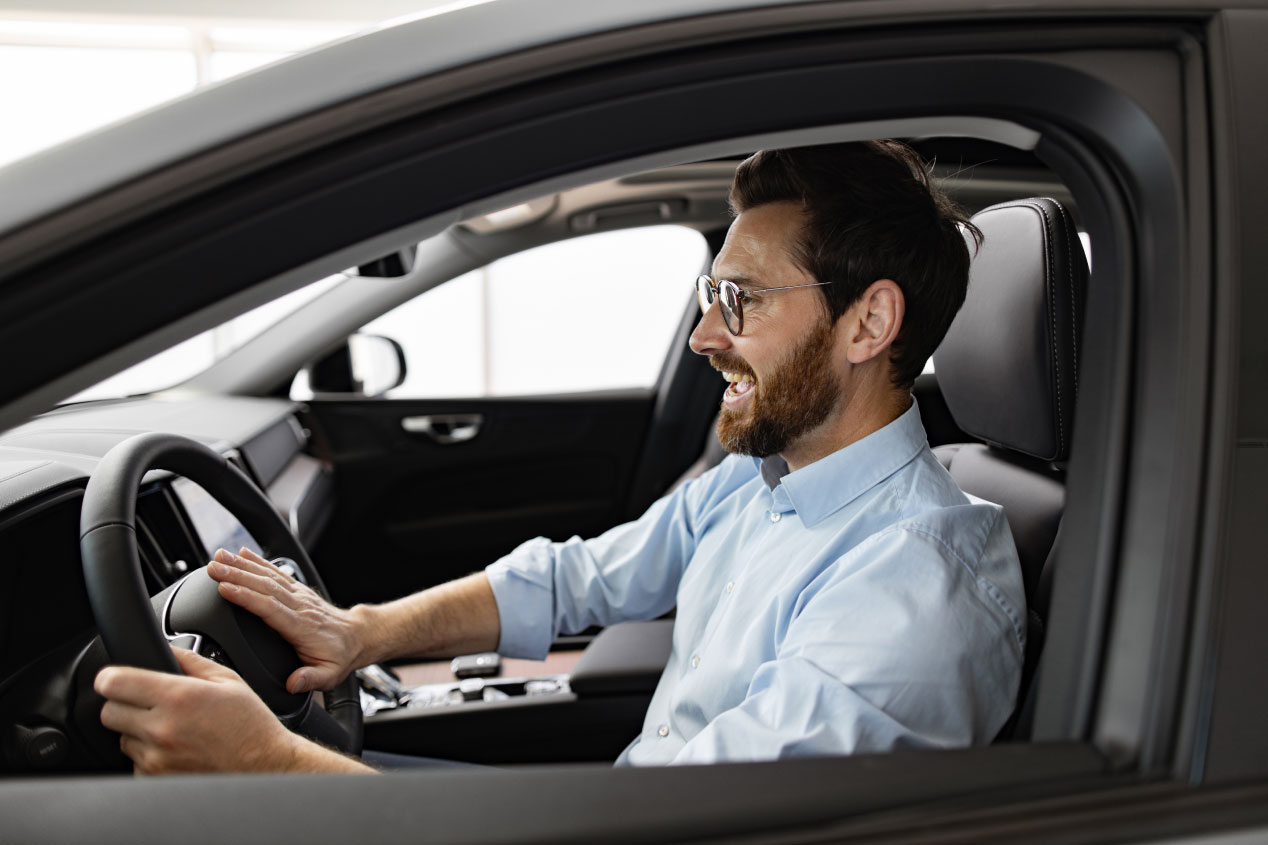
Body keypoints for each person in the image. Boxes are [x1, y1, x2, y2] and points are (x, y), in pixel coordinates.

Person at [94, 140, 1025, 774]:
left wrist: (268, 762)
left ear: (869, 322)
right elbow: (577, 577)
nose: (704, 336)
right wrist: (361, 632)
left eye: (740, 300)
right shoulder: (764, 480)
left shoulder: (916, 588)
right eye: (710, 296)